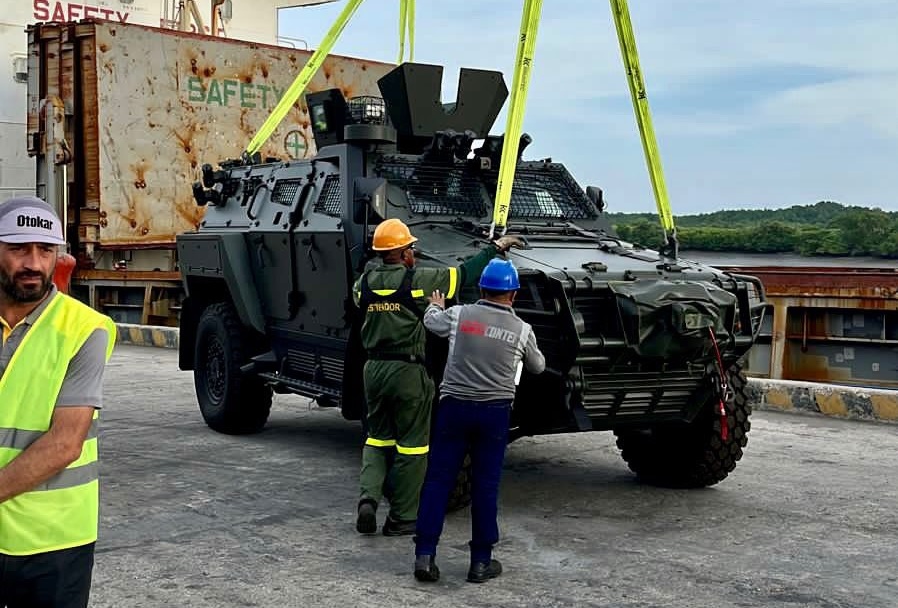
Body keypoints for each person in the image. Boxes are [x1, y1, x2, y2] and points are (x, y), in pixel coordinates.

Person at [353, 218, 524, 536]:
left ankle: (368, 499)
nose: (413, 254)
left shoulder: (362, 283)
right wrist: (495, 248)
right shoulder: (419, 279)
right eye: (411, 249)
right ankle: (403, 517)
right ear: (404, 253)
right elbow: (463, 275)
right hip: (407, 371)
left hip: (372, 370)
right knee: (413, 446)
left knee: (376, 439)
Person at [0, 196, 116, 608]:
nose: (33, 262)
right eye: (18, 249)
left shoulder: (86, 330)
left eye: (45, 250)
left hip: (55, 541)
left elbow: (66, 443)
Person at [412, 258, 545, 583]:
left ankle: (425, 556)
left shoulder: (460, 315)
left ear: (482, 288)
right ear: (512, 294)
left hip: (454, 408)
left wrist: (434, 305)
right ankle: (481, 562)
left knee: (438, 480)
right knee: (486, 487)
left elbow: (432, 323)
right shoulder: (521, 329)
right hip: (494, 414)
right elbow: (538, 367)